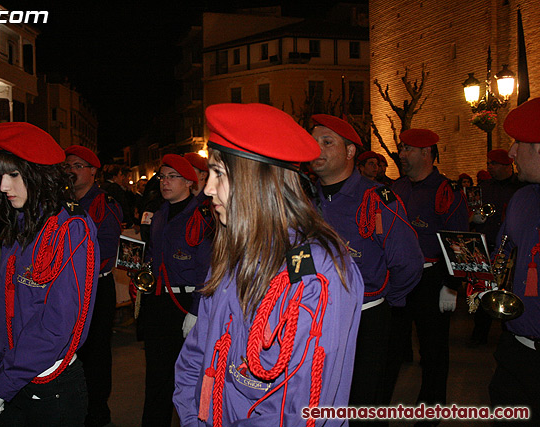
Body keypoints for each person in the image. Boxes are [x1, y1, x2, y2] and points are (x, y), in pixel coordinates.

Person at [174, 103, 363, 426]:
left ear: (256, 180)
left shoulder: (319, 271)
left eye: (219, 174)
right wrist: (193, 419)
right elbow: (197, 355)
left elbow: (303, 410)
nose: (207, 189)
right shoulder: (235, 248)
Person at [0, 122, 100, 425]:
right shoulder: (22, 224)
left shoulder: (70, 229)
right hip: (10, 376)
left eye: (13, 175)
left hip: (47, 388)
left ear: (39, 174)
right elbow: (1, 307)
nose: (3, 186)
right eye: (0, 176)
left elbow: (55, 327)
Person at [308, 114, 423, 417]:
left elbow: (408, 262)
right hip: (312, 319)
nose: (316, 149)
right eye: (313, 142)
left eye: (326, 142)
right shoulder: (304, 200)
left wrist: (385, 301)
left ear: (349, 152)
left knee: (363, 407)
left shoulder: (377, 198)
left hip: (364, 320)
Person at [386, 129, 469, 421]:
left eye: (408, 149)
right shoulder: (398, 188)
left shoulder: (445, 191)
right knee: (393, 343)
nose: (402, 155)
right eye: (401, 148)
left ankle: (433, 404)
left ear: (426, 153)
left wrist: (451, 285)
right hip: (398, 279)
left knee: (433, 347)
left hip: (431, 279)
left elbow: (458, 241)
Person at [140, 154, 212, 427]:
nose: (165, 183)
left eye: (172, 177)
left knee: (188, 378)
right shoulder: (160, 215)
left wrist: (196, 310)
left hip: (185, 301)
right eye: (163, 177)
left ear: (189, 182)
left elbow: (208, 268)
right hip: (158, 300)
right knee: (157, 376)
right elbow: (155, 257)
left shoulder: (202, 216)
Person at [488, 97, 540, 425]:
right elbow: (503, 255)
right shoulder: (521, 198)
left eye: (517, 143)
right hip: (515, 351)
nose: (511, 153)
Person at [64, 145, 123, 427]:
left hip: (95, 288)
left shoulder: (103, 202)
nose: (71, 171)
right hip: (69, 290)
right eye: (69, 166)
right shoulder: (62, 202)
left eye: (77, 166)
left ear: (93, 171)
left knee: (96, 354)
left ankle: (97, 412)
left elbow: (107, 250)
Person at [469, 149, 524, 346]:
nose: (489, 167)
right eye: (489, 163)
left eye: (494, 163)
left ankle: (508, 333)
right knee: (483, 290)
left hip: (510, 249)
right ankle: (479, 334)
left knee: (508, 290)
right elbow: (472, 208)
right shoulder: (484, 187)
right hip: (486, 245)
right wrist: (473, 218)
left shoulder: (520, 188)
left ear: (507, 166)